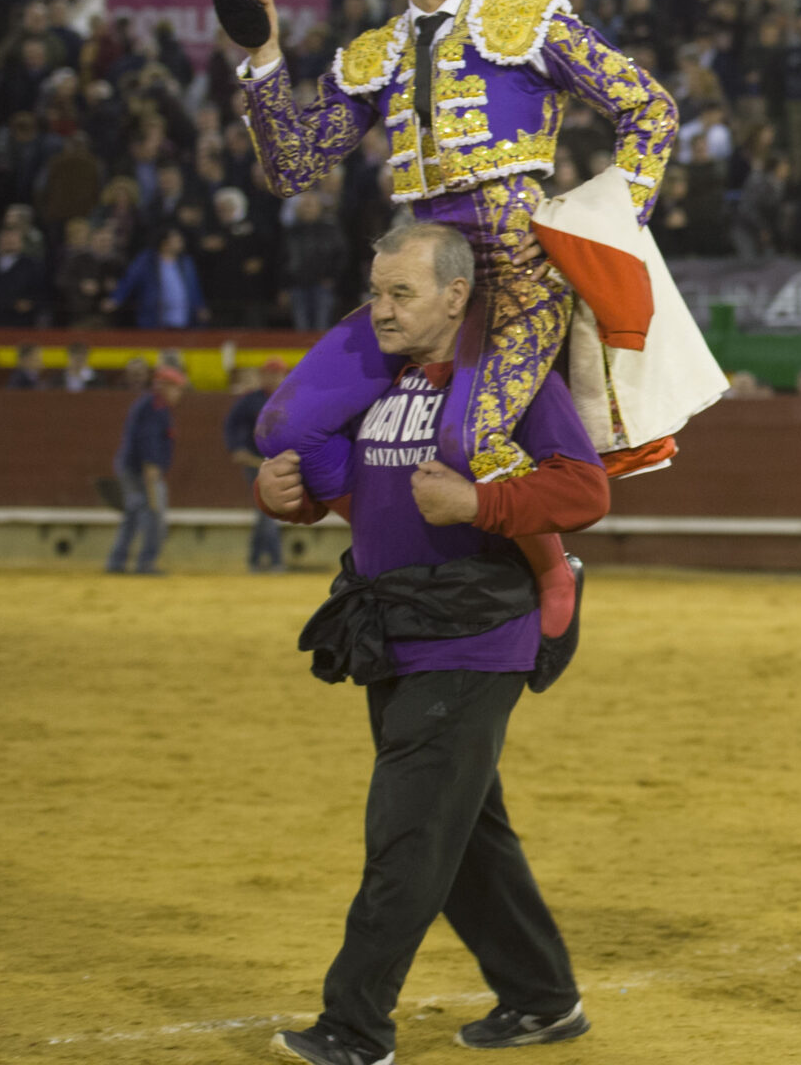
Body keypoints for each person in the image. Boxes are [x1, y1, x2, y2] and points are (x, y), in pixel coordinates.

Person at [255, 220, 607, 1065]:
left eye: (399, 294)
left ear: (457, 297)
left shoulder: (509, 383)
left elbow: (584, 488)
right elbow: (361, 492)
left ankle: (356, 1027)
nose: (379, 310)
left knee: (410, 832)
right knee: (464, 831)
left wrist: (481, 508)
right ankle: (542, 998)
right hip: (394, 625)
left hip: (476, 633)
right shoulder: (382, 381)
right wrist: (285, 497)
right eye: (376, 292)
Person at [236, 0, 675, 485]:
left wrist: (593, 231)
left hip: (520, 278)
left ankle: (550, 577)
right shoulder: (372, 54)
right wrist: (263, 53)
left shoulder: (529, 24)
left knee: (469, 445)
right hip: (420, 283)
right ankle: (387, 541)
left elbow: (650, 108)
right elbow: (292, 166)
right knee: (285, 428)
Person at [108, 363, 185, 575]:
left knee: (133, 514)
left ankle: (117, 561)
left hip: (132, 468)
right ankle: (146, 563)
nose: (179, 393)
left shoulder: (152, 406)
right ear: (164, 387)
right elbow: (148, 439)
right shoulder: (155, 408)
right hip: (142, 471)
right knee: (153, 515)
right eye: (176, 388)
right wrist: (151, 467)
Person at [229, 357, 289, 573]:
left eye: (277, 373)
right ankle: (274, 560)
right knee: (267, 512)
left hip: (282, 464)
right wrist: (237, 448)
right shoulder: (250, 401)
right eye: (270, 373)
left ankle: (256, 560)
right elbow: (232, 425)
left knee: (266, 512)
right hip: (256, 463)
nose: (273, 378)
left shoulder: (290, 399)